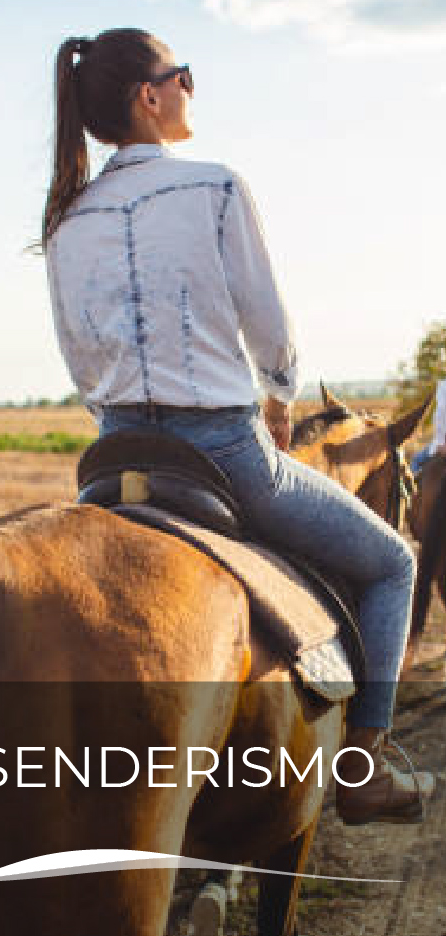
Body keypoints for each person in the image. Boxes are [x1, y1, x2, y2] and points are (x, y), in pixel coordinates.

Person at [43, 28, 433, 824]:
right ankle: (363, 764)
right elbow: (271, 329)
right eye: (183, 75)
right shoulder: (215, 186)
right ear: (149, 98)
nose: (191, 87)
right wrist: (282, 399)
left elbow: (80, 357)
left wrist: (123, 412)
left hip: (108, 460)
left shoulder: (64, 217)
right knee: (392, 562)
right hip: (224, 452)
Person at [411, 377, 446, 474]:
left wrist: (442, 442)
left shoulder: (444, 386)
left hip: (442, 445)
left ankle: (413, 488)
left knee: (416, 460)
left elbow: (441, 416)